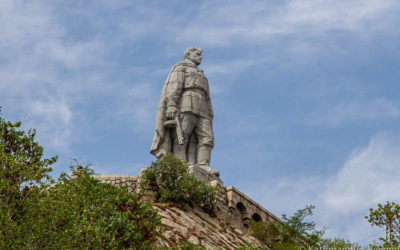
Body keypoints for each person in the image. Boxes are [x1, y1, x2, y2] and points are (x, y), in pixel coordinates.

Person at [150, 47, 216, 174]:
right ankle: (180, 164)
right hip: (186, 103)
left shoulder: (202, 74)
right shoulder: (181, 68)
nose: (200, 57)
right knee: (182, 135)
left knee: (207, 138)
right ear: (188, 55)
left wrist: (210, 112)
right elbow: (174, 86)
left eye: (200, 55)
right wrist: (171, 105)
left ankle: (203, 165)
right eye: (197, 54)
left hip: (203, 107)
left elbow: (208, 97)